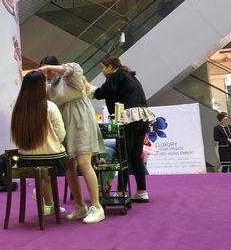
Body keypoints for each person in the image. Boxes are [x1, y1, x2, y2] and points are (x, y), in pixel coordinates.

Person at [38, 57, 105, 224]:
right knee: (69, 168)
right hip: (65, 126)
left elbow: (72, 69)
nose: (47, 74)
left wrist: (50, 67)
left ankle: (97, 207)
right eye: (45, 71)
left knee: (84, 163)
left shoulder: (71, 77)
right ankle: (80, 206)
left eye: (49, 70)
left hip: (82, 122)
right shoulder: (49, 88)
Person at [86, 56, 154, 203]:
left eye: (103, 68)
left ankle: (121, 191)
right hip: (142, 118)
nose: (103, 71)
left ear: (110, 67)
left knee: (124, 156)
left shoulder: (117, 75)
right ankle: (142, 191)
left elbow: (103, 92)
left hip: (130, 118)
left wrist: (87, 85)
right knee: (135, 155)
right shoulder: (128, 75)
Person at [11, 71, 68, 216]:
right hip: (51, 157)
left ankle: (47, 202)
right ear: (41, 87)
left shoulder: (18, 109)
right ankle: (48, 204)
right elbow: (61, 133)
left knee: (44, 175)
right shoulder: (50, 107)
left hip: (26, 159)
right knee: (49, 175)